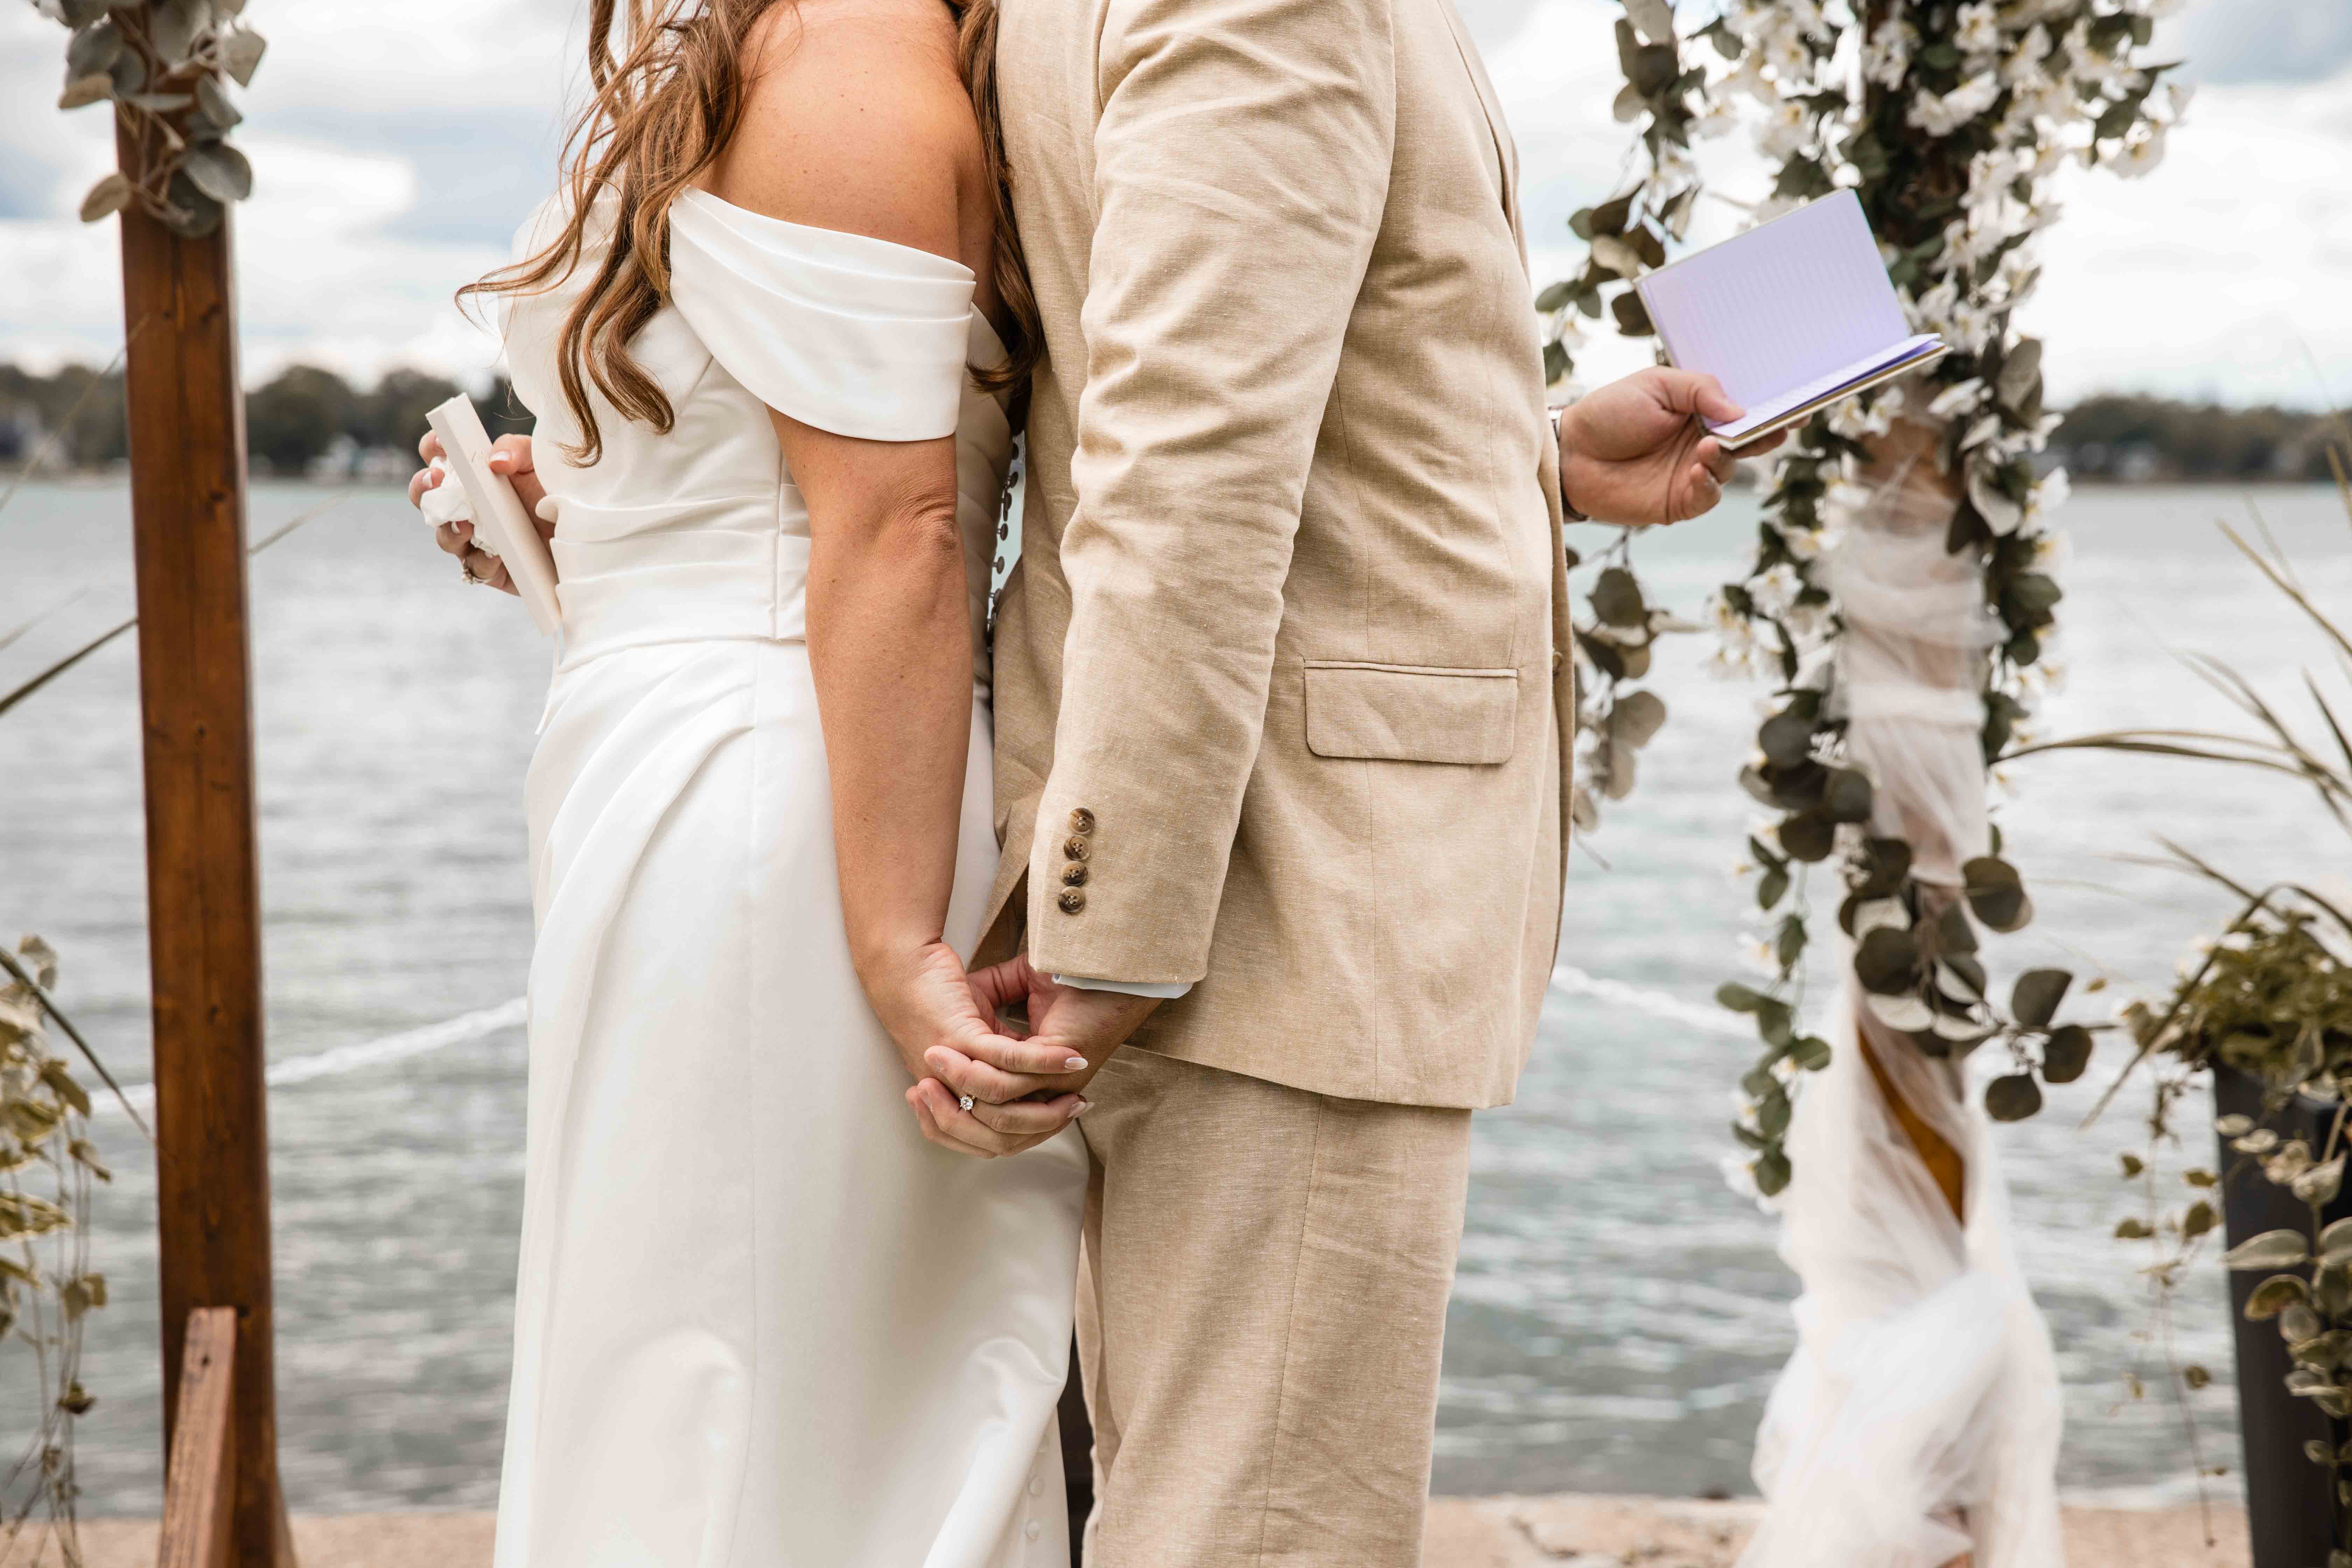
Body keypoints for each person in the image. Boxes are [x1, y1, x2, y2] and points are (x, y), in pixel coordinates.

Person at [415, 0, 1764, 1561]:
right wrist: (1102, 933)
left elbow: (1175, 376)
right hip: (1277, 878)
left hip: (1078, 840)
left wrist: (1534, 454)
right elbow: (1167, 465)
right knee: (1236, 1525)